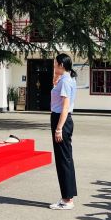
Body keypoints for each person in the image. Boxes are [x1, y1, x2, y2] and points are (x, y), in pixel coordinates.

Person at [49, 54, 78, 210]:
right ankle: (67, 196)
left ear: (61, 65)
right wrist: (56, 79)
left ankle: (67, 200)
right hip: (61, 119)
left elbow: (65, 106)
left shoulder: (66, 81)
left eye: (55, 64)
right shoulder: (66, 78)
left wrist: (59, 128)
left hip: (61, 120)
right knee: (65, 159)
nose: (54, 66)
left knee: (63, 160)